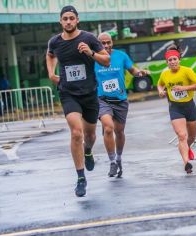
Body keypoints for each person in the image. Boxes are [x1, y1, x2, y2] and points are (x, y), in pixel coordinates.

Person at [46, 5, 110, 197]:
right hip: (68, 93)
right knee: (76, 133)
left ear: (77, 20)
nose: (68, 21)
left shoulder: (88, 38)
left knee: (89, 137)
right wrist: (51, 73)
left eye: (71, 18)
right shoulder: (55, 42)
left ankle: (88, 151)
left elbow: (106, 60)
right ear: (60, 21)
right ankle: (81, 177)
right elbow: (50, 55)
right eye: (65, 18)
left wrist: (90, 52)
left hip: (89, 94)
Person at [95, 32, 149, 178]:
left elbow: (133, 70)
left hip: (120, 100)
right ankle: (112, 161)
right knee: (108, 128)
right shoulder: (93, 58)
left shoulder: (121, 55)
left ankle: (118, 158)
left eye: (108, 42)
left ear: (112, 42)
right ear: (98, 44)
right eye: (102, 43)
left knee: (119, 131)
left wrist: (139, 73)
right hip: (102, 99)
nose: (106, 45)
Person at [157, 45, 196, 174]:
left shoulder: (187, 71)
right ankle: (186, 163)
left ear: (179, 60)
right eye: (169, 60)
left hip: (189, 106)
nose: (172, 62)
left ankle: (187, 148)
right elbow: (160, 84)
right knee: (182, 135)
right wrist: (161, 91)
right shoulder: (164, 74)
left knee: (192, 137)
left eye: (174, 59)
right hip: (175, 108)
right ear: (167, 62)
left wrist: (184, 88)